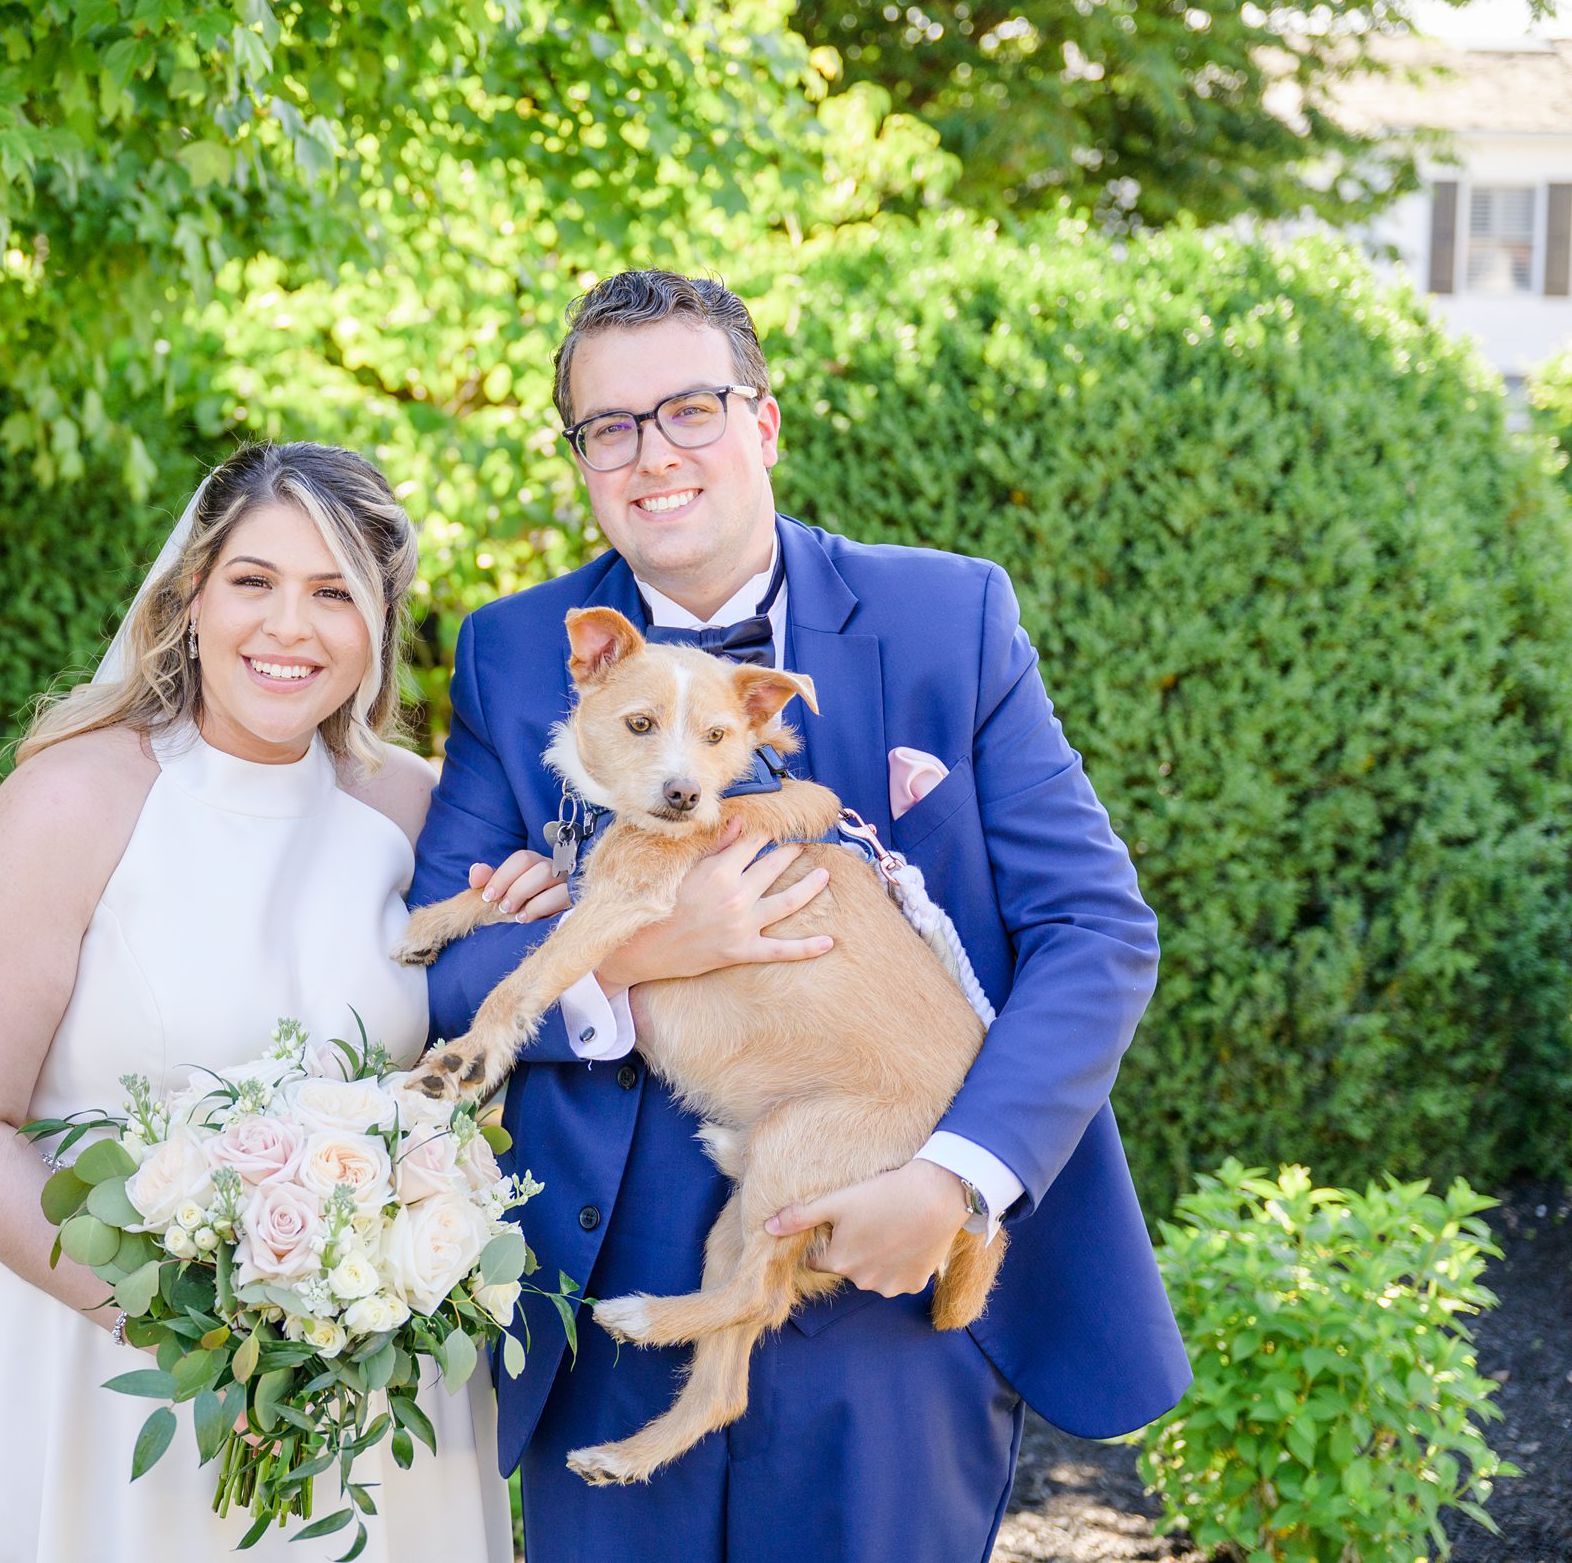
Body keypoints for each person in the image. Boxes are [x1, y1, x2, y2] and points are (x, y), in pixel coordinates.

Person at [410, 271, 1191, 1561]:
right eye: (610, 426)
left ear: (763, 423)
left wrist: (955, 1180)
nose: (652, 453)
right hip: (603, 1280)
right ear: (582, 458)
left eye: (691, 409)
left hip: (884, 1268)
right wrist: (651, 951)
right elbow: (446, 973)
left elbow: (1096, 930)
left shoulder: (952, 613)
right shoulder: (510, 645)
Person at [0, 443, 524, 1562]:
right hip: (90, 1371)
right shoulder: (75, 798)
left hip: (352, 1384)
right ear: (189, 598)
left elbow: (470, 1069)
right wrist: (185, 1325)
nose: (289, 628)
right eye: (253, 582)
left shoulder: (418, 813)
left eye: (334, 594)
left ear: (378, 625)